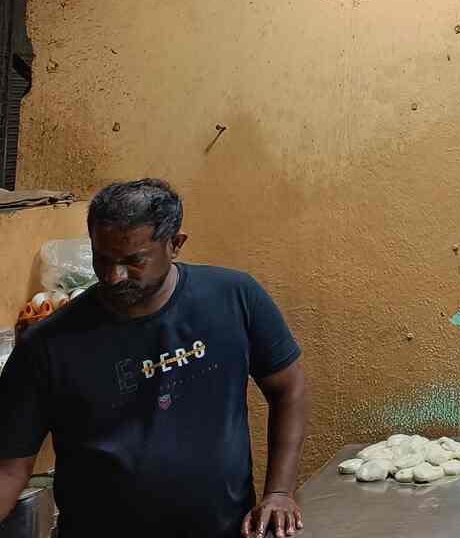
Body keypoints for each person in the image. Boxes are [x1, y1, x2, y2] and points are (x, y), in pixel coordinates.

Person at [0, 178, 309, 538]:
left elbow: (289, 388)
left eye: (134, 261)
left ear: (175, 244)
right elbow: (9, 467)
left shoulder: (234, 299)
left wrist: (279, 492)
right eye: (103, 259)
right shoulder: (47, 344)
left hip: (223, 530)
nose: (114, 277)